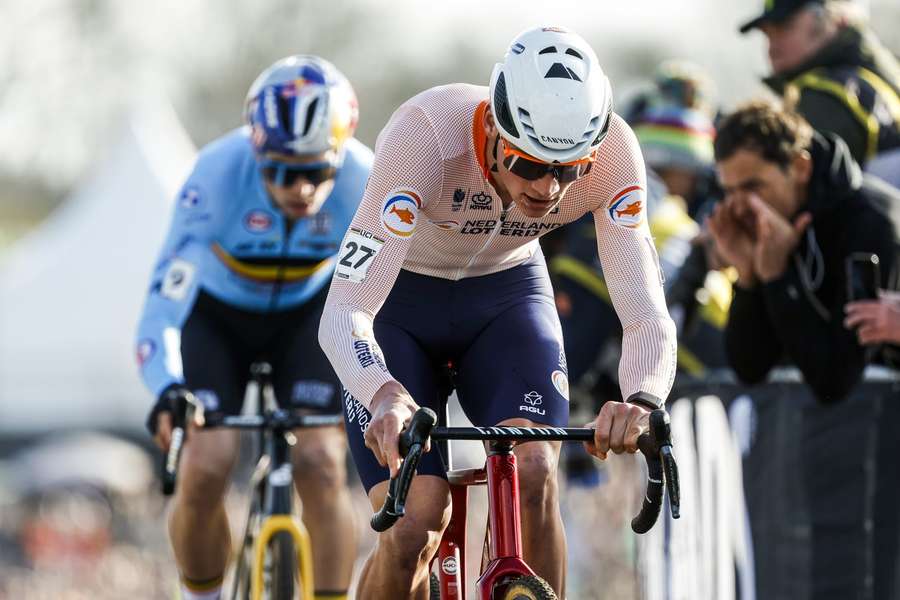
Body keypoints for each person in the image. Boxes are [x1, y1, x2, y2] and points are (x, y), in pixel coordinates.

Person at [318, 26, 677, 598]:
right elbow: (345, 310)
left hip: (506, 295)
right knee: (416, 522)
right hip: (400, 303)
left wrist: (643, 396)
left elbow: (644, 309)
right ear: (492, 126)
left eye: (569, 169)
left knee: (534, 470)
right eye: (530, 164)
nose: (550, 189)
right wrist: (381, 391)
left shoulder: (613, 154)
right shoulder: (426, 134)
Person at [135, 55, 369, 600]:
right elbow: (161, 307)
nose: (301, 188)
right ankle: (204, 594)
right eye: (282, 171)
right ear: (255, 149)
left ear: (340, 158)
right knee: (207, 462)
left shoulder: (366, 176)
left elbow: (386, 297)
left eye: (317, 171)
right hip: (218, 319)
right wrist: (167, 388)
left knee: (322, 461)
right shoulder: (215, 176)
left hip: (308, 317)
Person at [707, 100, 900, 403]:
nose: (740, 206)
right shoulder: (774, 221)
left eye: (753, 187)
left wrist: (779, 277)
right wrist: (748, 278)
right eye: (730, 191)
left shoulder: (869, 223)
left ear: (800, 167)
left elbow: (835, 381)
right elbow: (750, 369)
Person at [738, 0, 900, 167]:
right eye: (768, 34)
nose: (772, 47)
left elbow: (790, 184)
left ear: (830, 18)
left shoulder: (825, 96)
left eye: (785, 27)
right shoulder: (872, 73)